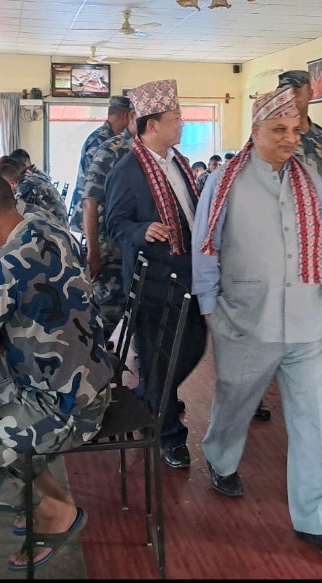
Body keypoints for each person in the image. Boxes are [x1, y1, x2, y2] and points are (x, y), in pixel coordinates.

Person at [192, 87, 322, 567]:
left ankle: (316, 520)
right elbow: (205, 245)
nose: (290, 138)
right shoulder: (225, 181)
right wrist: (210, 308)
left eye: (295, 130)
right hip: (246, 318)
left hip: (309, 320)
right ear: (255, 130)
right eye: (279, 129)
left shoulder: (310, 179)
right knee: (235, 401)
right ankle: (221, 459)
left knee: (313, 420)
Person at [0, 171, 112, 572]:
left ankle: (53, 512)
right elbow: (26, 288)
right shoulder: (48, 228)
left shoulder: (4, 264)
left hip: (62, 405)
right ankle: (49, 495)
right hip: (86, 381)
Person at [105, 79, 208, 471]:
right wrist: (141, 229)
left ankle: (150, 397)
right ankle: (168, 436)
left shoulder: (177, 162)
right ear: (152, 125)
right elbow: (115, 223)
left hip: (189, 274)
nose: (182, 124)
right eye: (175, 118)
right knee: (159, 360)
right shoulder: (127, 170)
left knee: (193, 348)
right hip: (154, 282)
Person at [279, 69, 322, 428]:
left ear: (310, 94)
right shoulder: (271, 132)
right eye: (284, 92)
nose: (290, 97)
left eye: (296, 91)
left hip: (315, 245)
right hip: (277, 243)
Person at [81, 106, 138, 337]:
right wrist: (93, 251)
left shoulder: (148, 152)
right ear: (130, 117)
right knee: (107, 318)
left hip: (131, 249)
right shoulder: (112, 150)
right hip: (109, 248)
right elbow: (89, 201)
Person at [68, 96, 134, 234]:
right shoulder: (102, 141)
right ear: (127, 115)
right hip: (96, 217)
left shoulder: (103, 136)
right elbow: (92, 191)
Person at [0, 156, 70, 230]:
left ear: (11, 184)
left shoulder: (25, 187)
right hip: (61, 226)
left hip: (56, 229)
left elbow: (14, 214)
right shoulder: (31, 178)